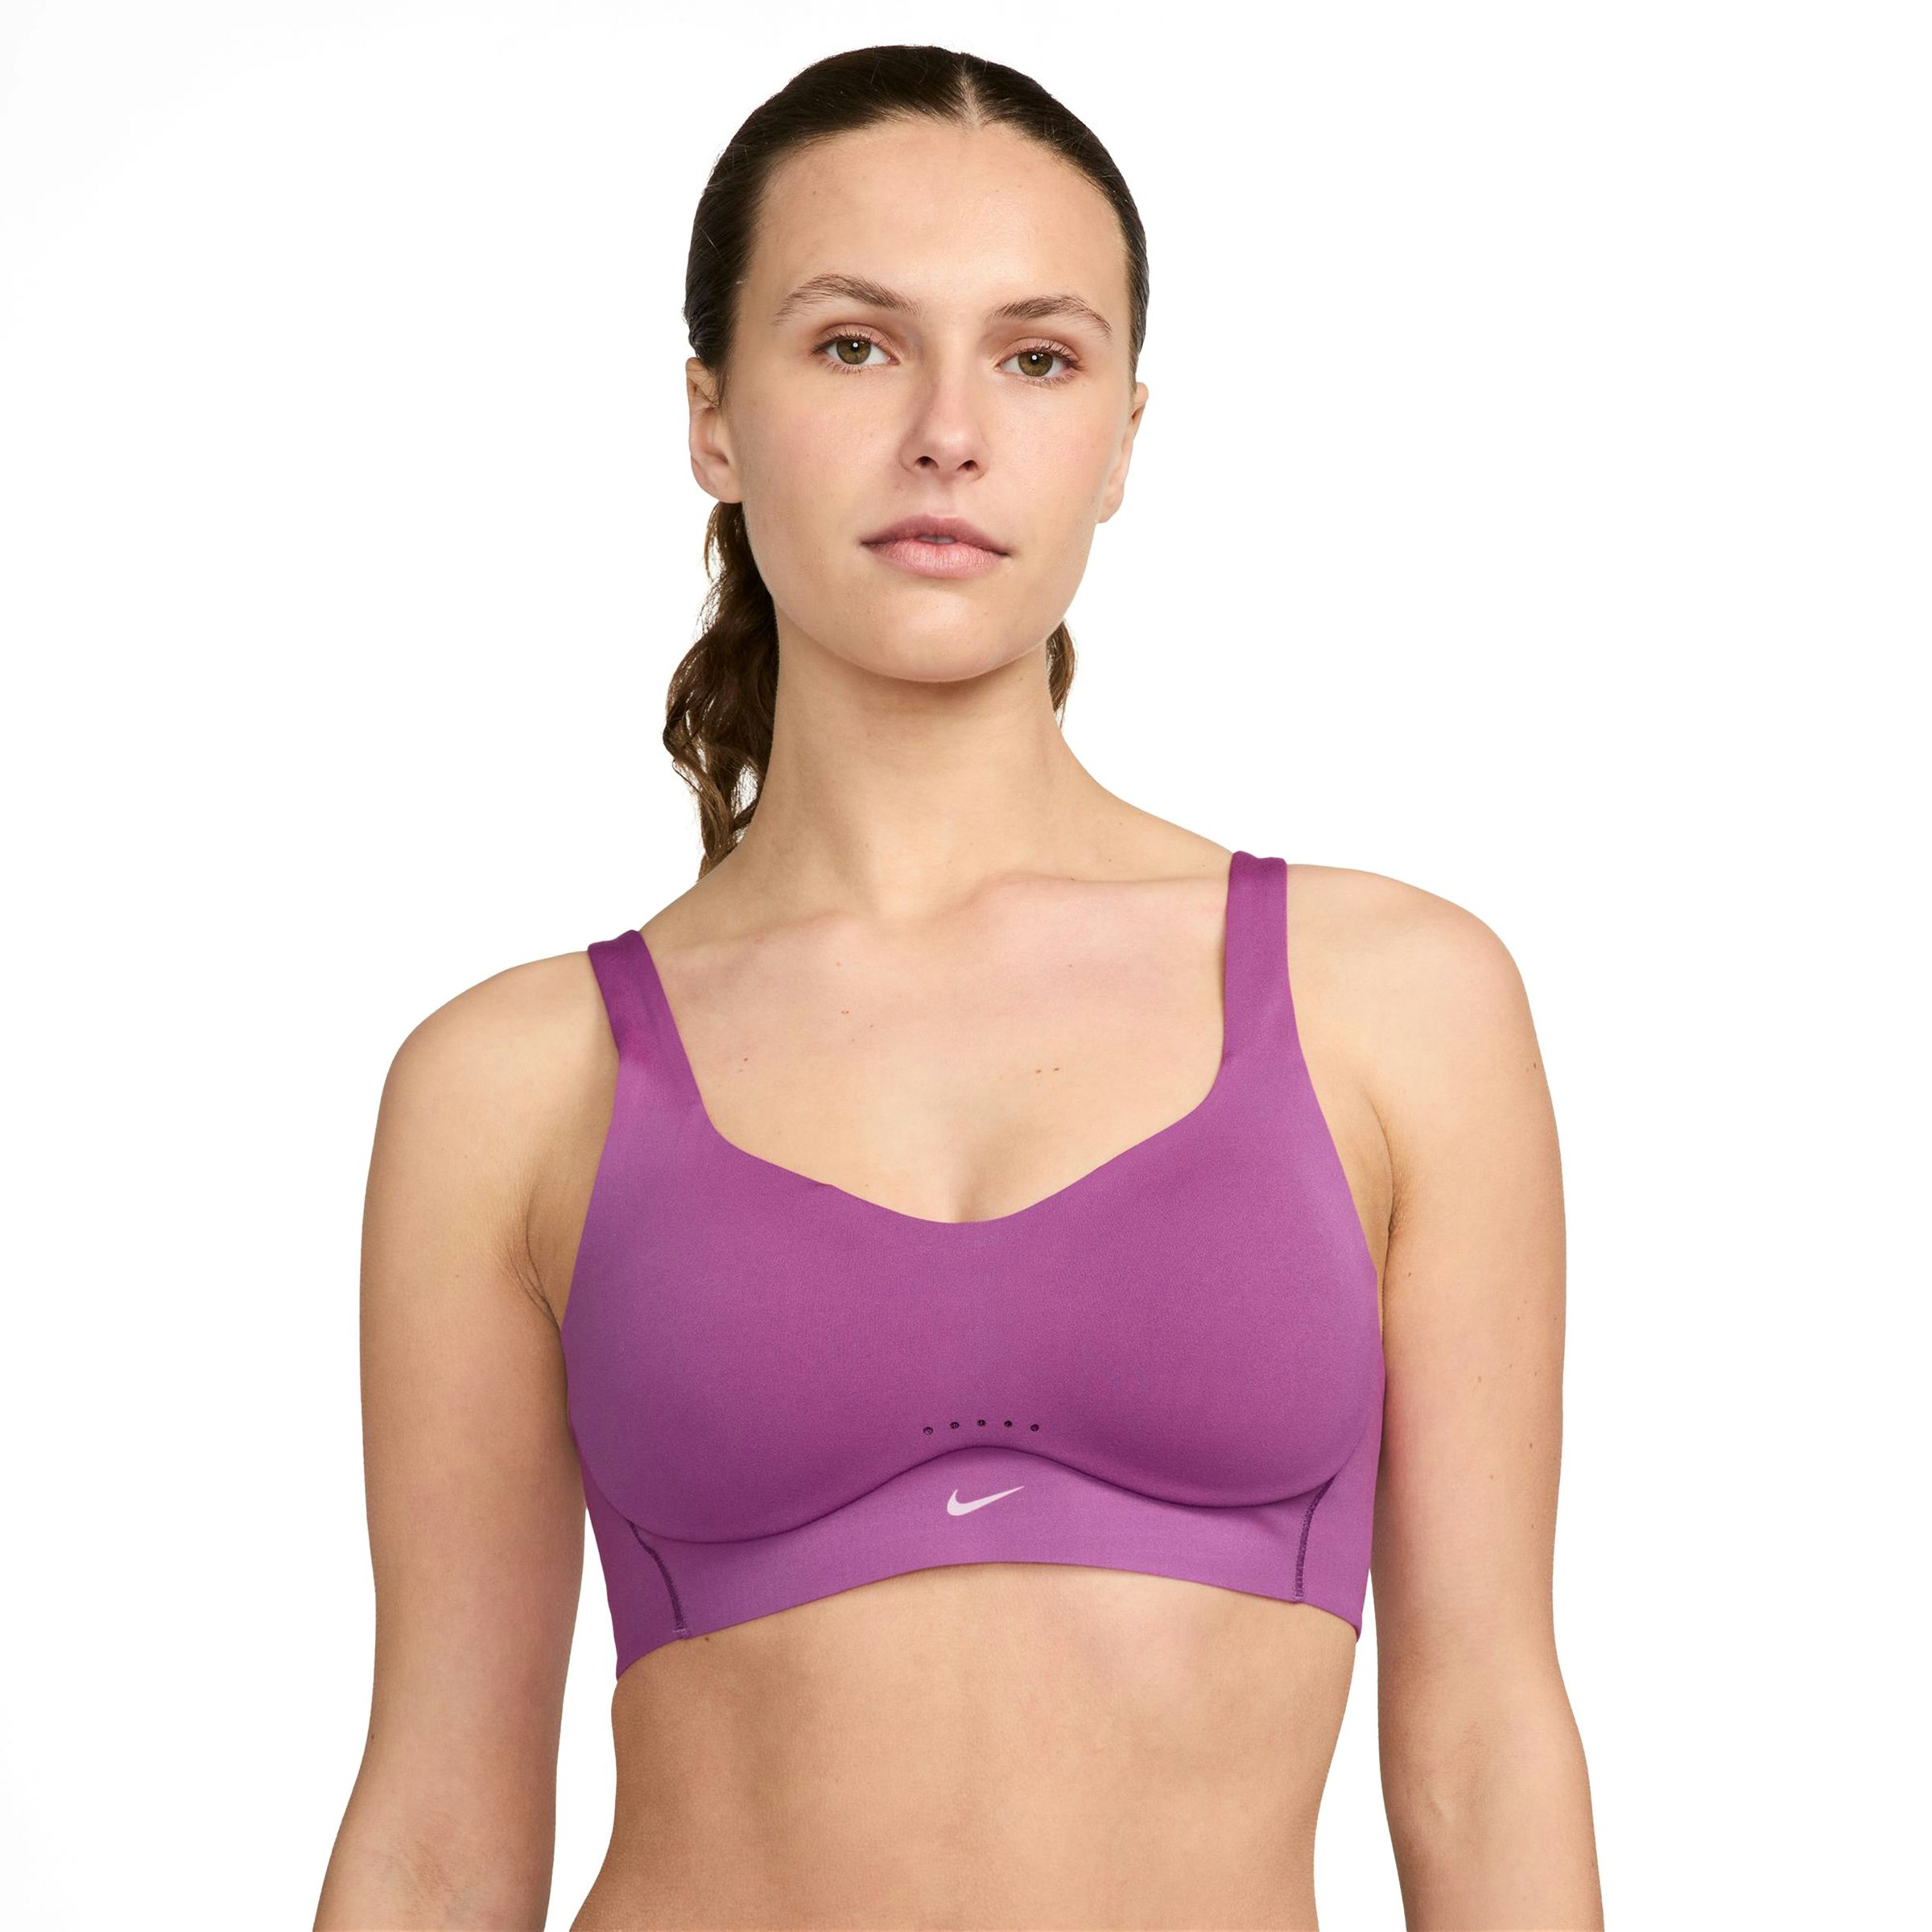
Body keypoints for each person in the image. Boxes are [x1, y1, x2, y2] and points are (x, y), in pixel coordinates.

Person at [315, 43, 1601, 1932]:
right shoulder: (510, 1083)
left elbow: (1483, 1751)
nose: (947, 433)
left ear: (1124, 436)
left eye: (1037, 358)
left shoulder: (1398, 1003)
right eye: (854, 346)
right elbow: (438, 1823)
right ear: (713, 418)